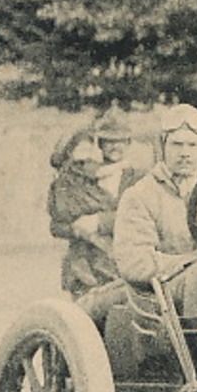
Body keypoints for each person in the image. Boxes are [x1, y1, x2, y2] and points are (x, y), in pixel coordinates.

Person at [113, 103, 197, 317]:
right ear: (161, 147)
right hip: (166, 302)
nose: (184, 153)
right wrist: (194, 262)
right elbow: (135, 263)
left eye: (192, 145)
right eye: (177, 145)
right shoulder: (140, 196)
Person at [46, 127, 120, 296]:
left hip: (109, 256)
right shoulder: (77, 174)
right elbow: (57, 224)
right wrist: (77, 229)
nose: (87, 154)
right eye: (82, 149)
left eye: (89, 149)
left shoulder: (137, 177)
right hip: (84, 257)